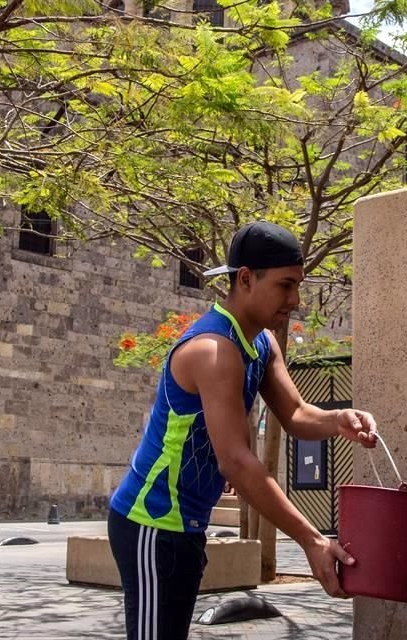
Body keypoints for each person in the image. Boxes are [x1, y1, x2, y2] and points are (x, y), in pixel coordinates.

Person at [107, 220, 377, 640]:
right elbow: (235, 461)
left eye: (298, 285)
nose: (295, 299)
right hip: (151, 523)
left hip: (185, 526)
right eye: (285, 285)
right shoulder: (213, 351)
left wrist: (338, 419)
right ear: (246, 279)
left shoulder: (263, 343)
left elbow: (297, 414)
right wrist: (312, 540)